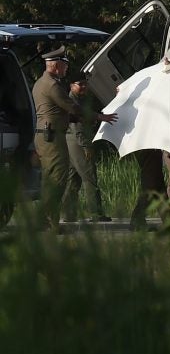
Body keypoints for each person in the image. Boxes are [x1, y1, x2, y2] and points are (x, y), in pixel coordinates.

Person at [32, 46, 117, 231]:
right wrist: (98, 116)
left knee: (51, 179)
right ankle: (49, 222)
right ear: (55, 66)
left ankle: (45, 220)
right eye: (64, 65)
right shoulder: (53, 86)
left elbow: (61, 113)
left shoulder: (40, 83)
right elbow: (73, 108)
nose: (66, 69)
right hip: (52, 138)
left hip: (47, 136)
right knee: (57, 179)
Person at [61, 72, 111, 223]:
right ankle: (96, 214)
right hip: (78, 142)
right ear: (71, 86)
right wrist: (86, 146)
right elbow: (77, 127)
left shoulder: (79, 100)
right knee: (90, 177)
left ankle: (68, 214)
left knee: (73, 178)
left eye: (85, 84)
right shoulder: (73, 102)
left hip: (71, 142)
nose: (83, 87)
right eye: (80, 84)